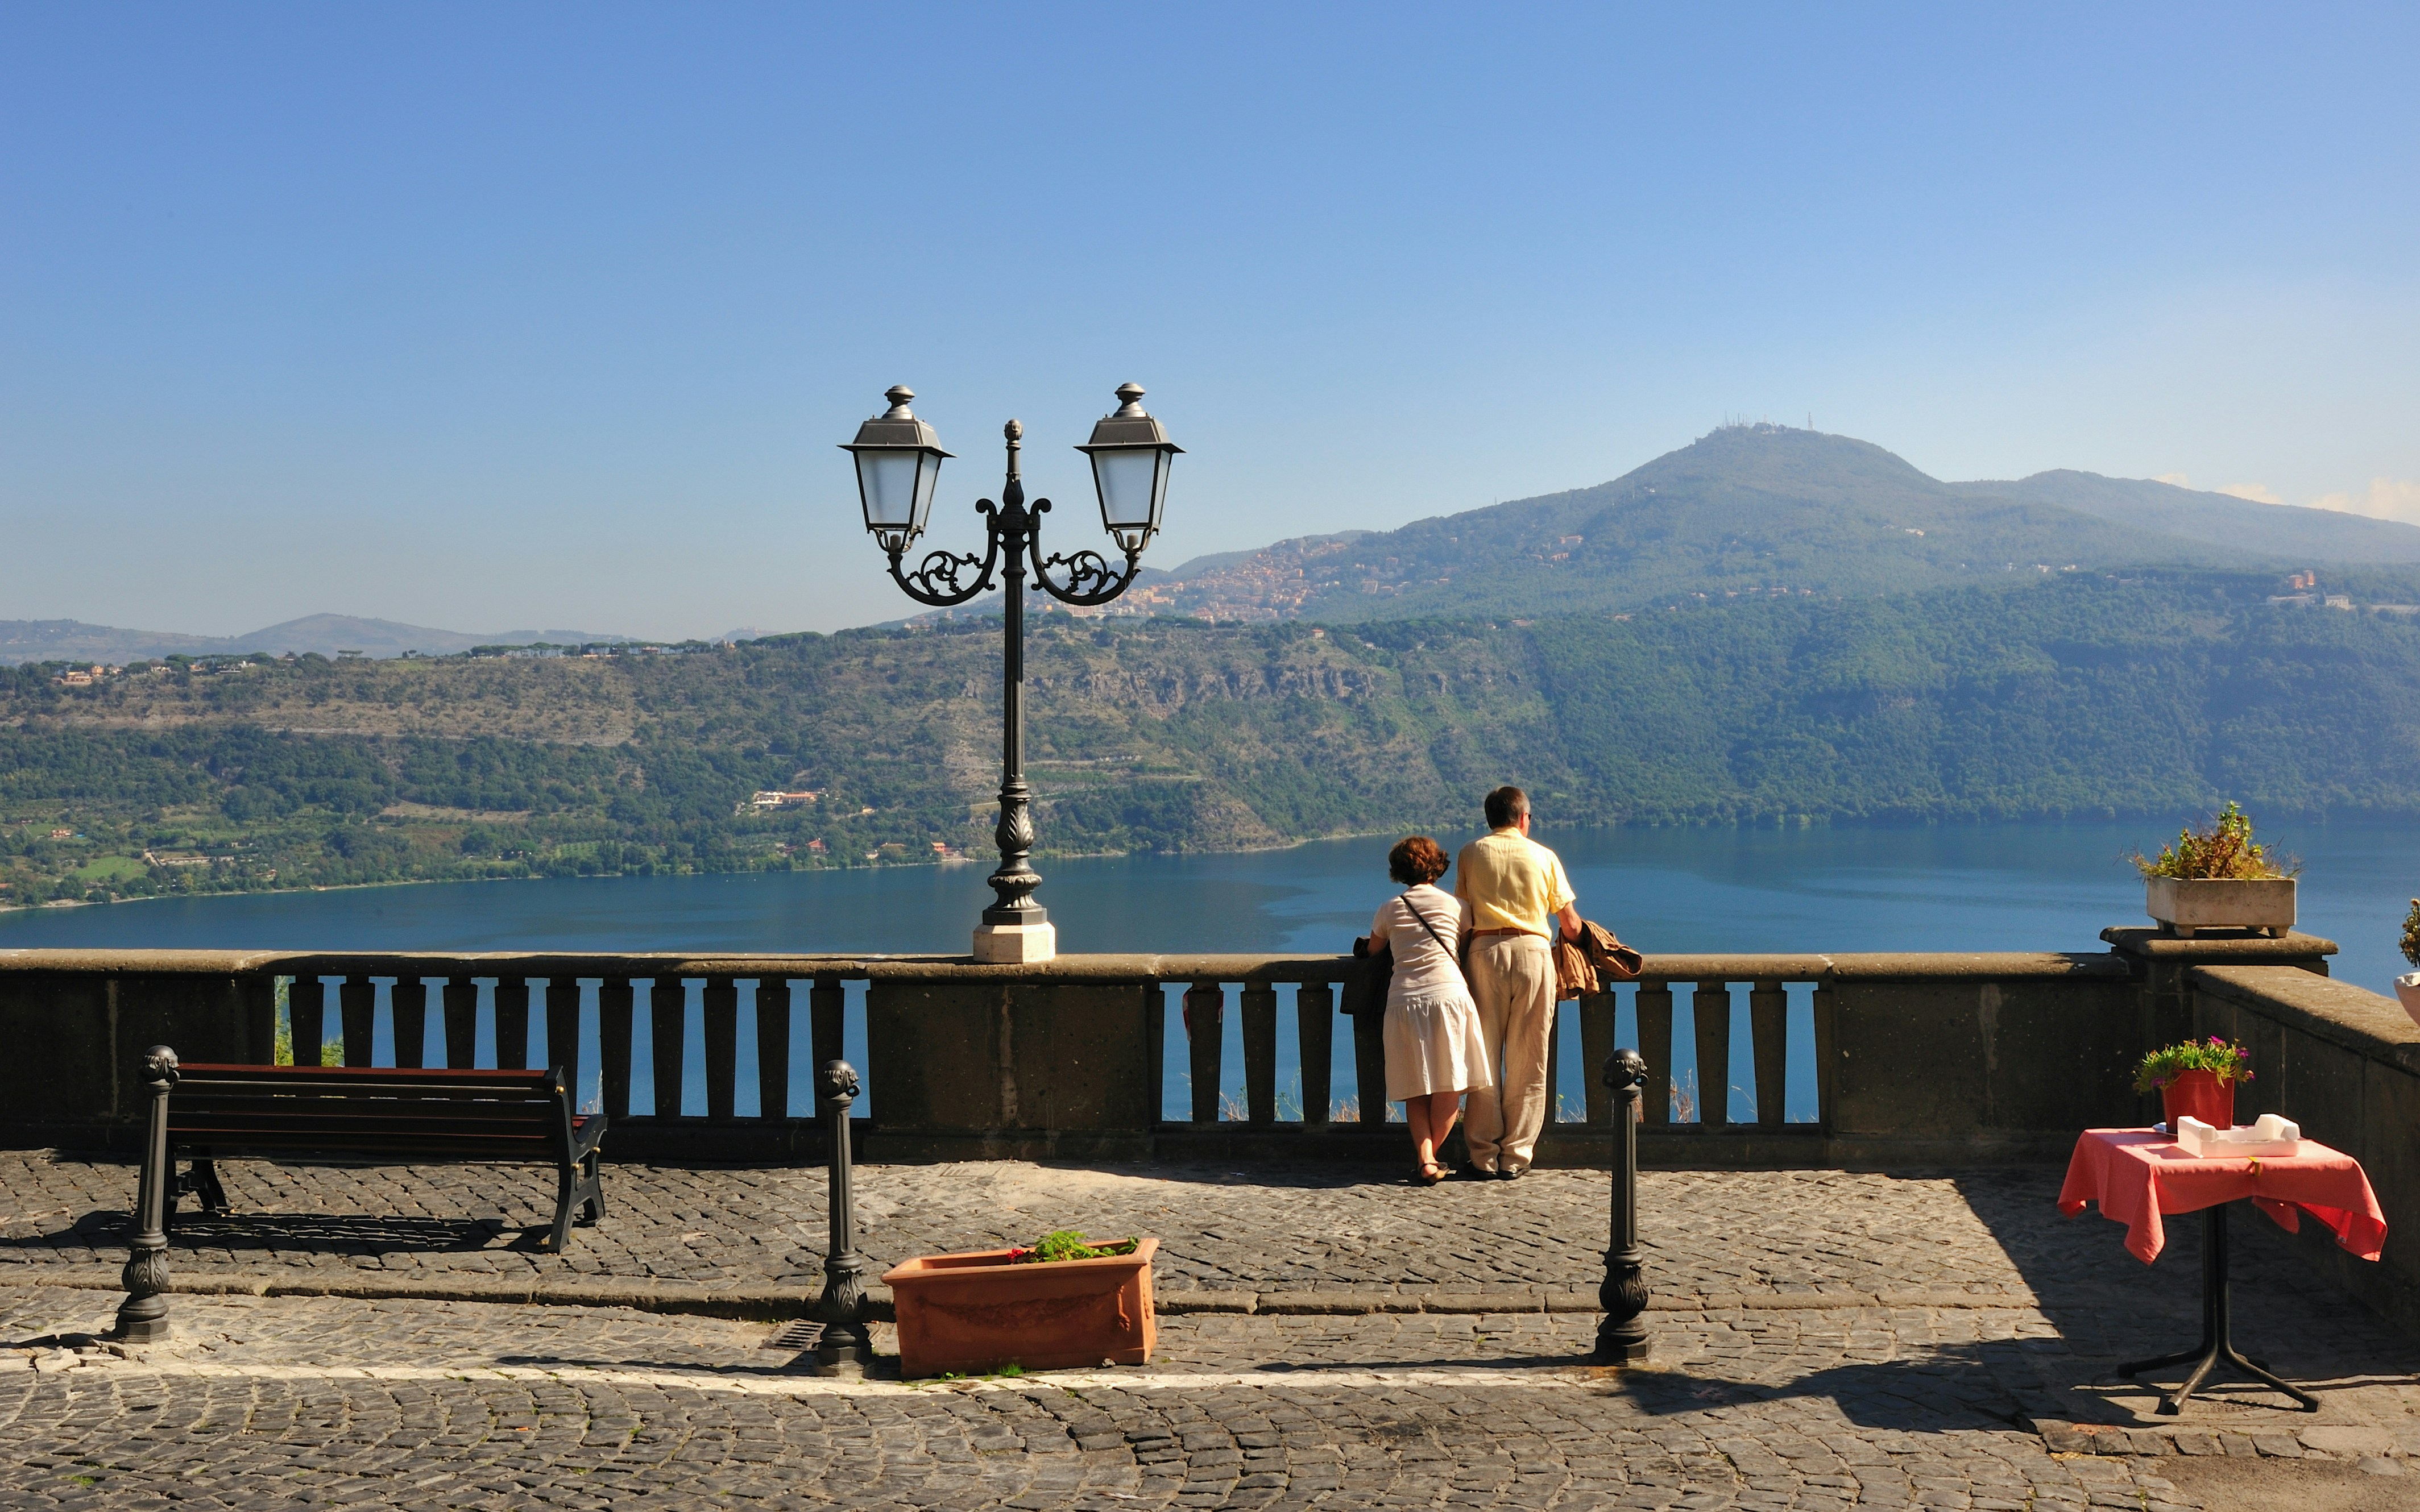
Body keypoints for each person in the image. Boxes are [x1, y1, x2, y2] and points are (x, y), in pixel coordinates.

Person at [1454, 786, 1581, 1179]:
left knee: (1483, 1055)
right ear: (1524, 818)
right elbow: (1571, 925)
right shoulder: (1544, 856)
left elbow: (1462, 913)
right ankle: (1516, 1156)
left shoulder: (1471, 853)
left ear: (1490, 818)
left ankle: (1483, 1155)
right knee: (1529, 1058)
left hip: (1484, 953)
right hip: (1532, 954)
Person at [1365, 834, 1488, 1185]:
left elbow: (1374, 950)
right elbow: (1461, 944)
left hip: (1404, 1000)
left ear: (1398, 870)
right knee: (1450, 1084)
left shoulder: (1390, 908)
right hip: (1449, 997)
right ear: (1437, 867)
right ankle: (1430, 1159)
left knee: (1415, 1085)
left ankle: (1425, 1160)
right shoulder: (1457, 907)